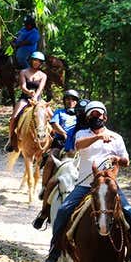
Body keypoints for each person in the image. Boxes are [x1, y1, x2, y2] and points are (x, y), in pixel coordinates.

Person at [44, 101, 131, 262]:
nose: (96, 118)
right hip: (85, 184)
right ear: (87, 117)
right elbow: (78, 146)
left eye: (99, 115)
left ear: (105, 116)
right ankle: (55, 250)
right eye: (92, 115)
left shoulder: (116, 137)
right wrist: (98, 137)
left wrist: (117, 159)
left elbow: (126, 160)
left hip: (109, 185)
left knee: (129, 213)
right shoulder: (82, 134)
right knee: (63, 211)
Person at [32, 90, 80, 229]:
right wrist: (64, 134)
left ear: (76, 101)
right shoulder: (59, 112)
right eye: (68, 99)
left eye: (73, 99)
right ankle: (45, 189)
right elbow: (54, 124)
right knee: (51, 160)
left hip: (76, 146)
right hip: (60, 143)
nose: (70, 102)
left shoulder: (80, 114)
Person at [5, 51, 47, 152]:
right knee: (14, 117)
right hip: (25, 98)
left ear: (41, 63)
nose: (36, 62)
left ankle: (51, 140)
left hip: (38, 99)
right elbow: (23, 86)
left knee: (51, 115)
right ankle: (11, 139)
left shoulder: (43, 75)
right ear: (31, 61)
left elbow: (40, 89)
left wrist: (35, 97)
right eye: (35, 60)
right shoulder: (23, 72)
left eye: (39, 61)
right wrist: (29, 92)